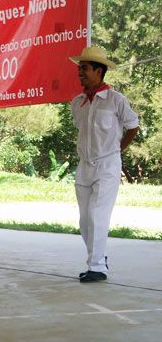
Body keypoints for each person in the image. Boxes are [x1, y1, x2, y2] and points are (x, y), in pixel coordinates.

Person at [69, 46, 139, 283]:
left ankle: (96, 267)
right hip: (85, 166)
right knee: (84, 220)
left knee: (97, 215)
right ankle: (97, 258)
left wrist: (117, 150)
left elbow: (133, 126)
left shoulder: (115, 99)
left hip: (107, 165)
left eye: (85, 69)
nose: (80, 73)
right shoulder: (78, 102)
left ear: (99, 72)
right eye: (79, 69)